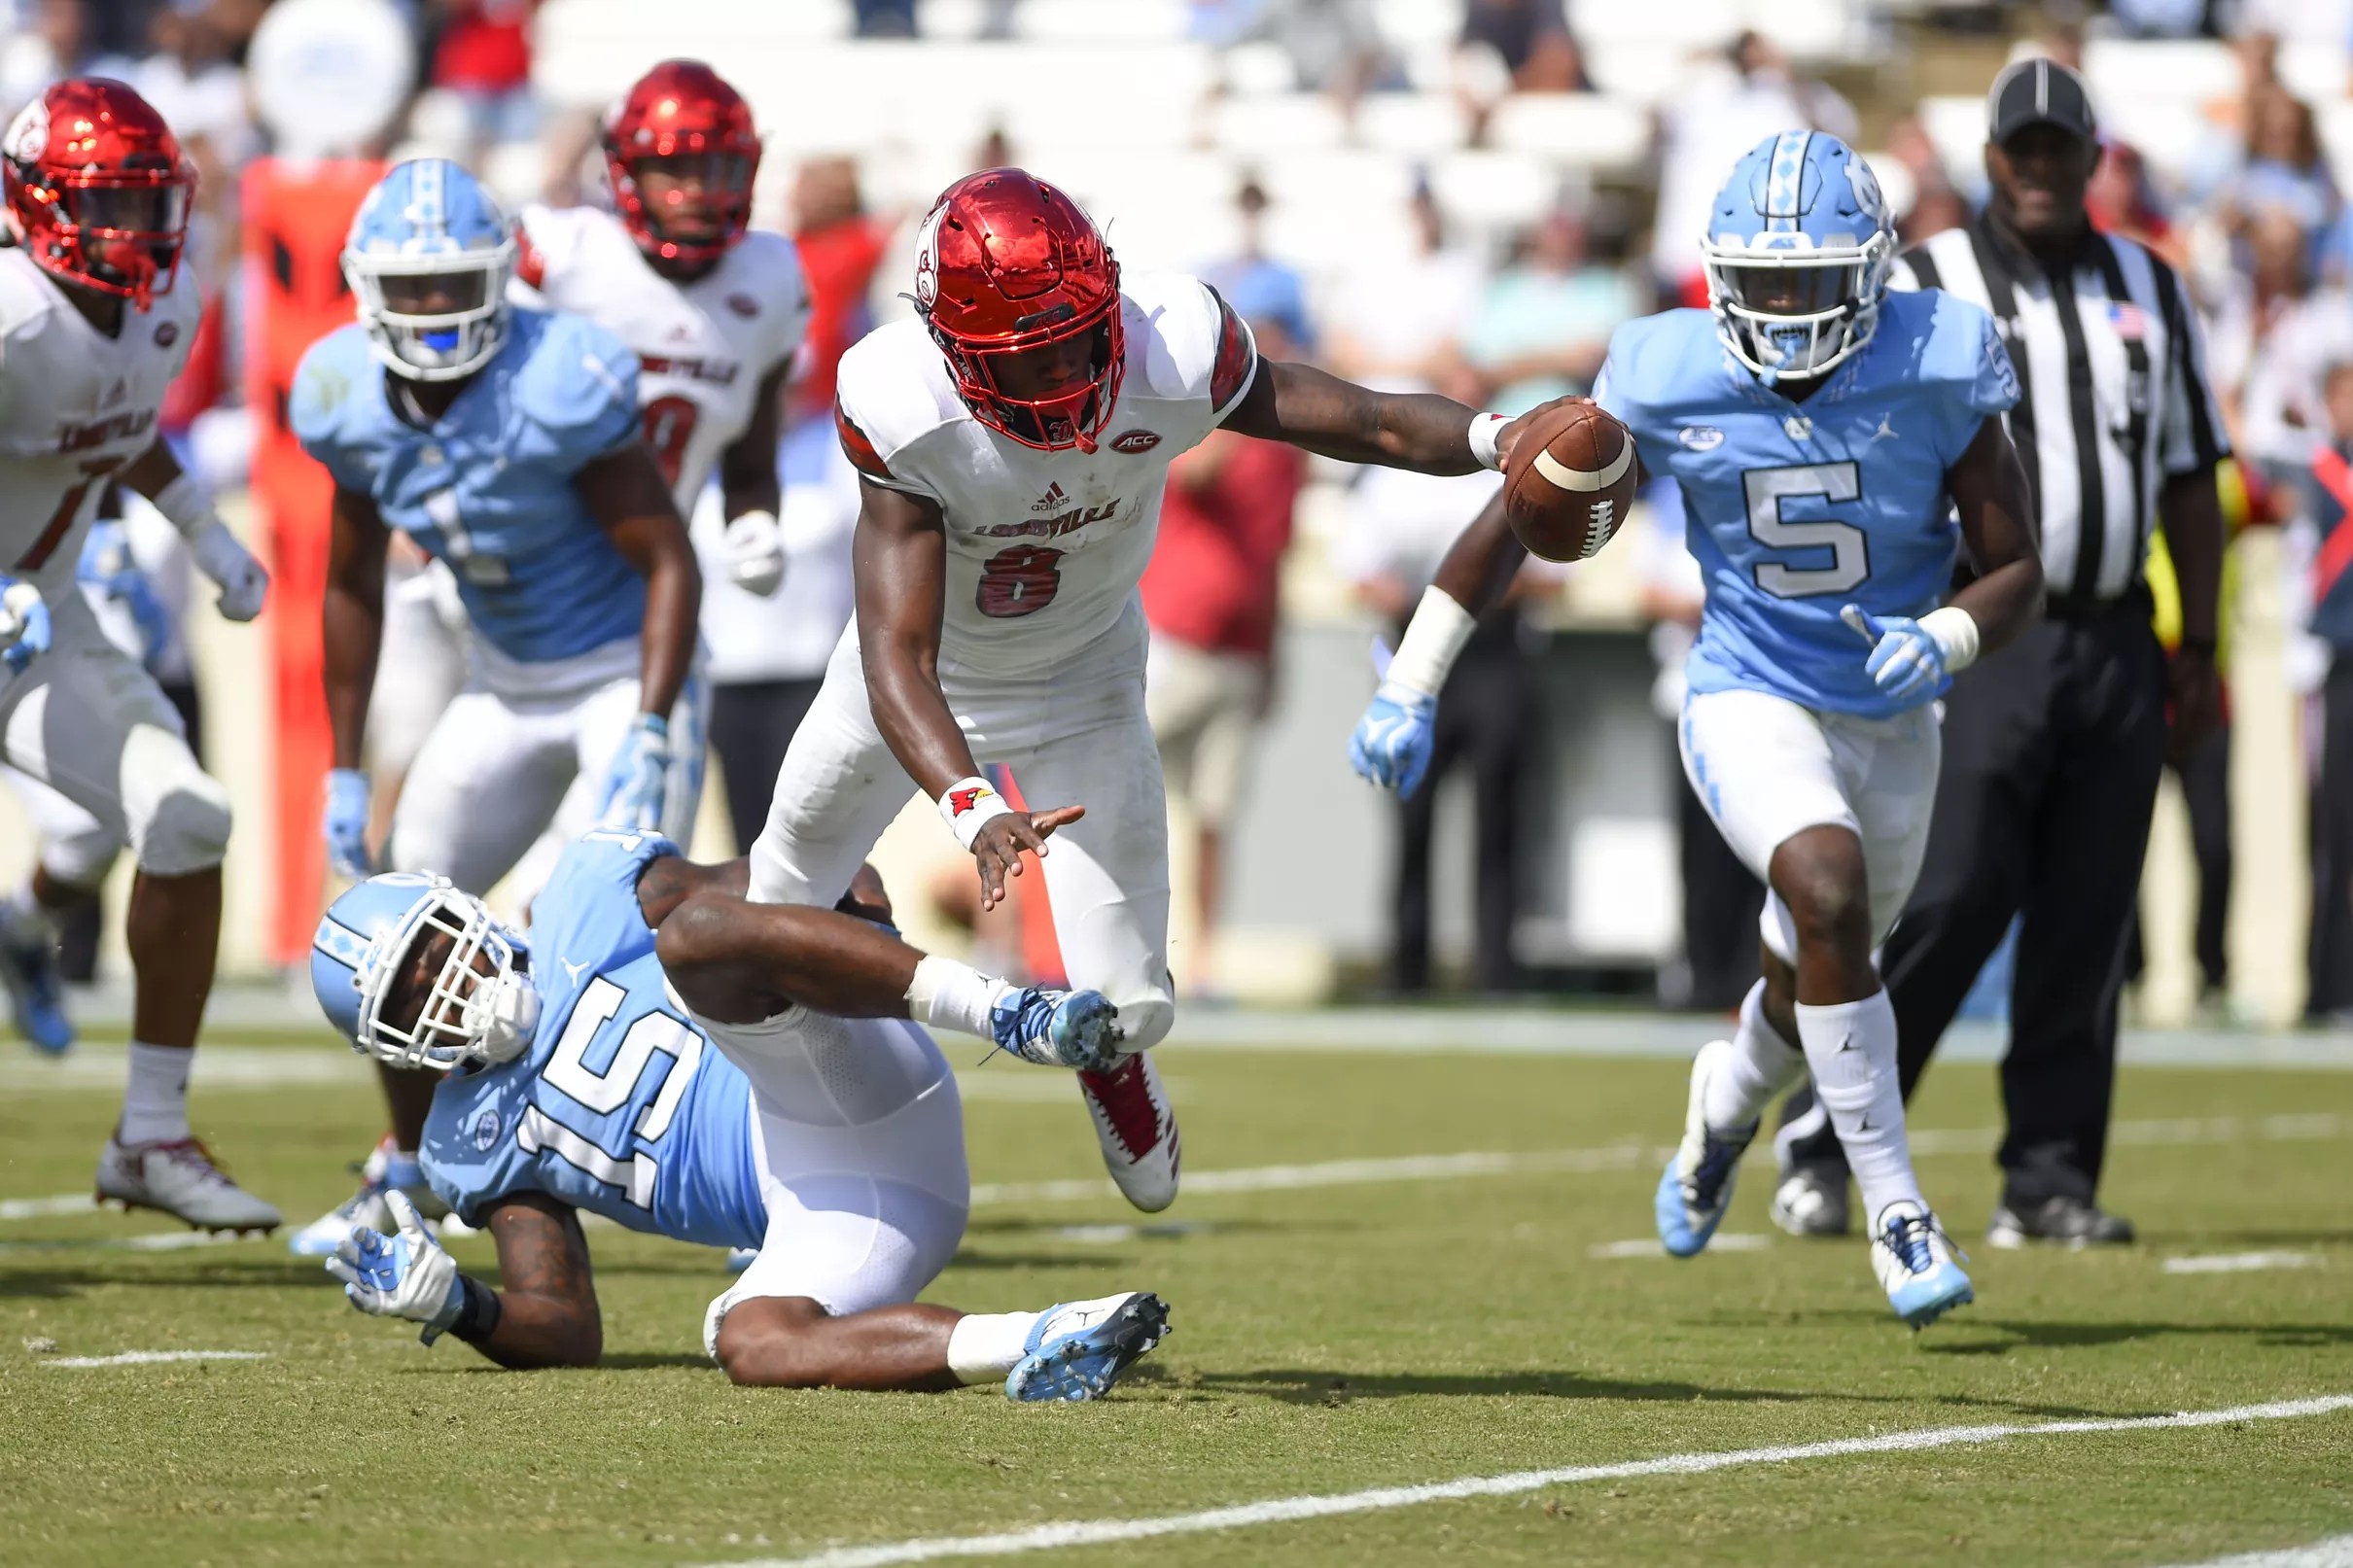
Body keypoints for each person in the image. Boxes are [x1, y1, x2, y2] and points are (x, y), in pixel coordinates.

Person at [755, 167, 1568, 1213]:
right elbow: (894, 654)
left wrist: (1496, 439)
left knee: (1133, 1004)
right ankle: (770, 1171)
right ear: (951, 345)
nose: (1056, 373)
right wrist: (971, 802)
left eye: (1071, 337)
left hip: (1083, 681)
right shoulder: (895, 397)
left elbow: (1361, 421)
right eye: (1023, 354)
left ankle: (1111, 1061)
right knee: (768, 923)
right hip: (915, 692)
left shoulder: (1173, 339)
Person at [1354, 130, 2043, 1327]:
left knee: (1816, 959)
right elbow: (1510, 521)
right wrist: (1409, 680)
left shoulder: (1938, 356)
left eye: (1809, 285)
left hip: (1892, 710)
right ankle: (1894, 1208)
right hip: (1745, 688)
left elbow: (2017, 567)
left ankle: (1723, 1104)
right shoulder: (1660, 367)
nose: (1781, 312)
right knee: (1822, 890)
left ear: (1871, 274)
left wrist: (1948, 634)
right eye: (1760, 284)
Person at [1773, 60, 2230, 1249]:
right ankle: (1829, 1140)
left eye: (2056, 149)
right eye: (2016, 151)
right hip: (1977, 631)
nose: (2035, 170)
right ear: (1987, 159)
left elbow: (2188, 473)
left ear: (2091, 158)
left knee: (2089, 912)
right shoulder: (1923, 283)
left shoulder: (2151, 285)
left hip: (2115, 631)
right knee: (1951, 889)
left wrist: (2198, 640)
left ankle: (2046, 1176)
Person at [310, 826, 1166, 1399]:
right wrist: (460, 1303)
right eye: (408, 990)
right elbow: (566, 1323)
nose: (442, 981)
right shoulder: (467, 1143)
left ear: (457, 910)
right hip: (846, 1211)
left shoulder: (586, 895)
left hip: (837, 1066)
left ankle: (1018, 1015)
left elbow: (834, 877)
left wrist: (846, 952)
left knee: (695, 936)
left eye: (430, 948)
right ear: (392, 1042)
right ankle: (1047, 1336)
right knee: (747, 1338)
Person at [289, 157, 705, 1252]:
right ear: (367, 285)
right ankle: (413, 1165)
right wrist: (344, 761)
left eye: (451, 284)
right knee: (389, 915)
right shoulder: (339, 396)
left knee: (605, 933)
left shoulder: (559, 375)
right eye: (410, 287)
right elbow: (347, 582)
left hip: (620, 670)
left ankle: (744, 1162)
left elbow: (668, 561)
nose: (431, 310)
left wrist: (655, 718)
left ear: (496, 278)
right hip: (504, 685)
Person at [0, 78, 277, 1232]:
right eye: (106, 202)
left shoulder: (169, 303)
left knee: (187, 817)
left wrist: (205, 533)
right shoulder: (9, 313)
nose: (134, 231)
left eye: (145, 202)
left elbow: (118, 419)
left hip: (39, 625)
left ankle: (151, 1133)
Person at [513, 61, 811, 847]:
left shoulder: (770, 278)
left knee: (630, 851)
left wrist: (755, 520)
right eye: (671, 166)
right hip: (522, 582)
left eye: (714, 166)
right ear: (623, 169)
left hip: (651, 598)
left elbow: (748, 457)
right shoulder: (562, 252)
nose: (694, 190)